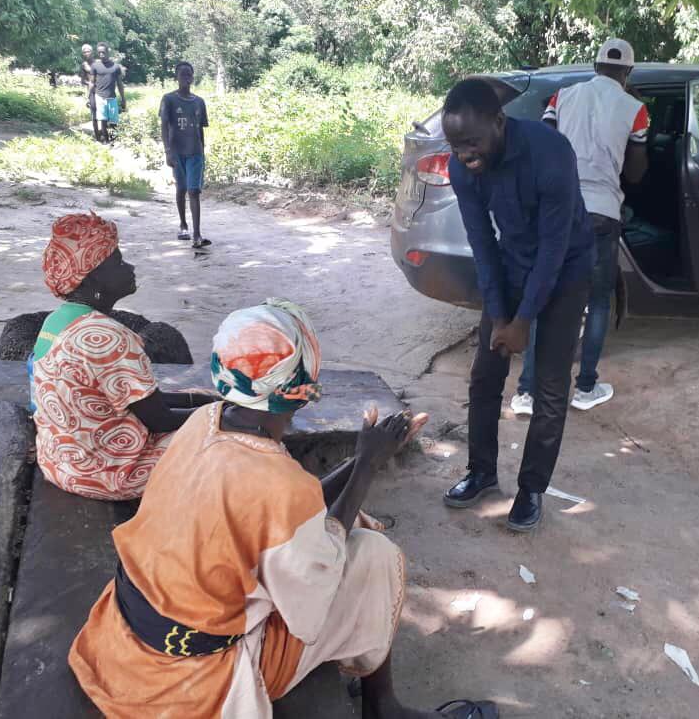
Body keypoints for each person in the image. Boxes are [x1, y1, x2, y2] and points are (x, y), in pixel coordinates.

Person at [69, 300, 498, 719]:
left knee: (340, 532)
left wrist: (364, 459)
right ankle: (382, 706)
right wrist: (367, 464)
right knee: (372, 552)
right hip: (195, 683)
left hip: (126, 642)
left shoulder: (208, 421)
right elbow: (312, 593)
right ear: (302, 391)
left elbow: (294, 507)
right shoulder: (278, 483)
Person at [441, 79, 594, 532]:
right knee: (485, 374)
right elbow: (482, 242)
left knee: (549, 386)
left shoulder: (550, 153)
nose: (465, 153)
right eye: (454, 144)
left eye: (471, 141)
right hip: (510, 265)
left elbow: (554, 245)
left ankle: (531, 489)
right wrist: (500, 314)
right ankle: (482, 471)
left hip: (566, 269)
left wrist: (525, 320)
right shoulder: (461, 167)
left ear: (499, 123)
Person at [32, 212, 216, 500]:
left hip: (62, 463)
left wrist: (200, 400)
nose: (129, 267)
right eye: (117, 261)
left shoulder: (56, 321)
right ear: (91, 275)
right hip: (110, 475)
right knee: (229, 438)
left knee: (200, 400)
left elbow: (132, 399)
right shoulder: (109, 338)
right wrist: (219, 414)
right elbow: (161, 421)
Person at [512, 39, 649, 417]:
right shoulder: (635, 110)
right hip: (602, 213)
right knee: (599, 299)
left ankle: (526, 392)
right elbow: (636, 173)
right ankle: (586, 387)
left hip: (558, 208)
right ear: (628, 72)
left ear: (595, 64)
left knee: (543, 297)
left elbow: (542, 145)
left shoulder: (561, 98)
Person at [159, 61, 211, 248]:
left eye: (189, 75)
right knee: (181, 189)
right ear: (177, 77)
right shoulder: (169, 99)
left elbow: (201, 130)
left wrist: (202, 153)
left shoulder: (199, 102)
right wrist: (168, 152)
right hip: (177, 152)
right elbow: (164, 126)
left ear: (193, 77)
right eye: (183, 75)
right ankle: (183, 225)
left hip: (195, 153)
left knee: (194, 191)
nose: (186, 78)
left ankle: (197, 235)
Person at [89, 42, 126, 143]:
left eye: (103, 52)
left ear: (108, 52)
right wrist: (89, 98)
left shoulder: (116, 67)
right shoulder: (95, 66)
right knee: (103, 120)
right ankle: (105, 141)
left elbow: (119, 83)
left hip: (112, 98)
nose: (101, 54)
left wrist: (123, 99)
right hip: (99, 97)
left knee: (114, 121)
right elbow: (91, 83)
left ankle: (114, 141)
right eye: (99, 52)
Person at [78, 43, 97, 135]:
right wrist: (89, 83)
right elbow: (82, 80)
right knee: (93, 111)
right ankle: (96, 134)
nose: (86, 53)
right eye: (84, 52)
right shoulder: (84, 64)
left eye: (88, 51)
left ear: (92, 52)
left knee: (103, 112)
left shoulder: (98, 63)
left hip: (101, 89)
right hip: (91, 90)